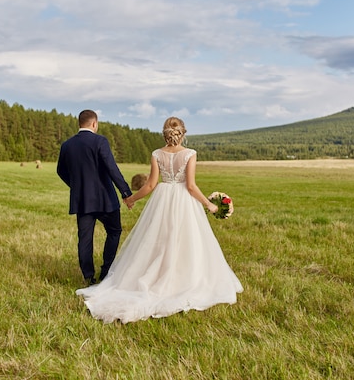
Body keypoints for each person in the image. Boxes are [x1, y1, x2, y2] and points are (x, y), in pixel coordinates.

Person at [76, 117, 243, 323]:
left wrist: (132, 199)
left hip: (162, 199)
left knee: (158, 239)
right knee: (186, 240)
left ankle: (156, 275)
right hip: (183, 200)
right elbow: (190, 186)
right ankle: (182, 279)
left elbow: (150, 185)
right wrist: (208, 204)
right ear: (183, 133)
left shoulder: (157, 154)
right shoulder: (190, 154)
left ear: (165, 133)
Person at [57, 109, 132, 286]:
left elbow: (60, 171)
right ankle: (106, 271)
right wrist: (126, 193)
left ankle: (88, 277)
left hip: (82, 201)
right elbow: (112, 168)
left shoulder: (67, 145)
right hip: (106, 199)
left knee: (85, 238)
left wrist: (76, 186)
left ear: (79, 123)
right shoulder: (100, 141)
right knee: (114, 231)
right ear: (94, 124)